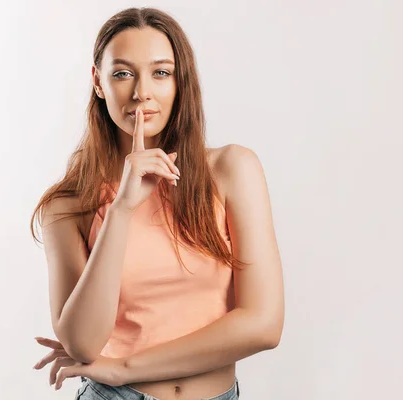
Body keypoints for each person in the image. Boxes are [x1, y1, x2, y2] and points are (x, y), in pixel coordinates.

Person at [30, 7, 284, 400]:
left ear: (180, 82)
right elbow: (82, 344)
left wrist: (124, 367)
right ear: (98, 82)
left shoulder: (232, 169)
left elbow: (264, 325)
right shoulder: (67, 206)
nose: (141, 92)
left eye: (160, 73)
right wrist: (121, 210)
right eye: (122, 73)